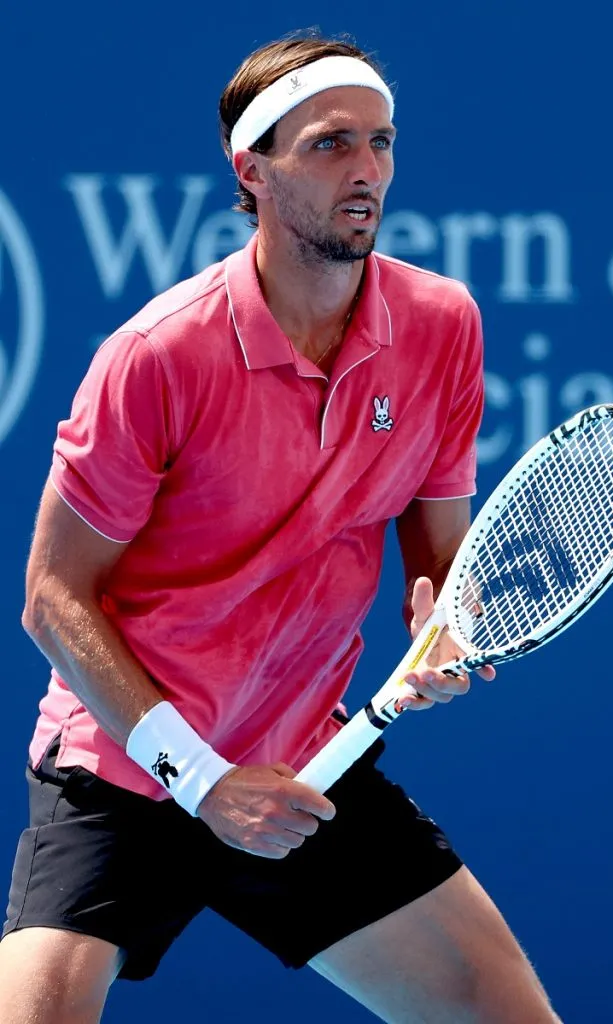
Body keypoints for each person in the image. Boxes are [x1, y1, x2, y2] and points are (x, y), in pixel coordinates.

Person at [0, 30, 562, 1024]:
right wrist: (203, 778)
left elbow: (439, 552)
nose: (366, 171)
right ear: (249, 170)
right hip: (130, 766)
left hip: (306, 762)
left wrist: (447, 623)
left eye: (381, 141)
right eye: (329, 143)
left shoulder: (441, 326)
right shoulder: (157, 356)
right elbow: (51, 596)